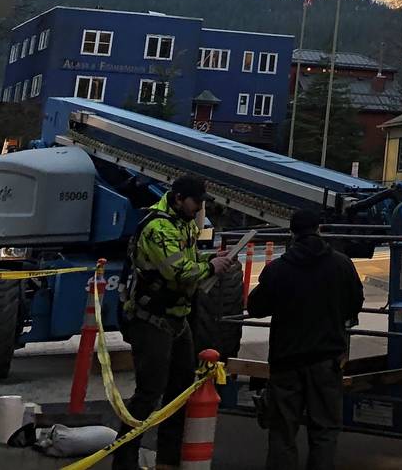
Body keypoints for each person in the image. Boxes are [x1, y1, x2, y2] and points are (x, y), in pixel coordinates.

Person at [115, 176, 231, 470]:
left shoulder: (185, 224)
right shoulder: (158, 227)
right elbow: (177, 271)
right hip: (152, 319)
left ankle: (168, 458)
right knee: (149, 393)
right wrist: (209, 267)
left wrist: (213, 262)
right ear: (178, 198)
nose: (199, 208)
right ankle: (124, 460)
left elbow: (189, 261)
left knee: (180, 391)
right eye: (196, 202)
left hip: (178, 318)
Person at [247, 209, 363, 470]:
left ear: (292, 233)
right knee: (324, 430)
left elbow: (255, 307)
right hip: (326, 359)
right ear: (319, 229)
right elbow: (355, 302)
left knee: (282, 431)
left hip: (286, 360)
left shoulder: (278, 269)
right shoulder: (341, 264)